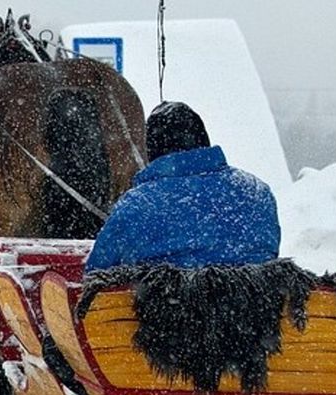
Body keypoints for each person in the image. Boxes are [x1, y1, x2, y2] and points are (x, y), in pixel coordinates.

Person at [84, 101, 280, 272]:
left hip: (162, 312)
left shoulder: (137, 205)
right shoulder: (256, 192)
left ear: (152, 150)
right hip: (255, 311)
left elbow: (97, 272)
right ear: (204, 140)